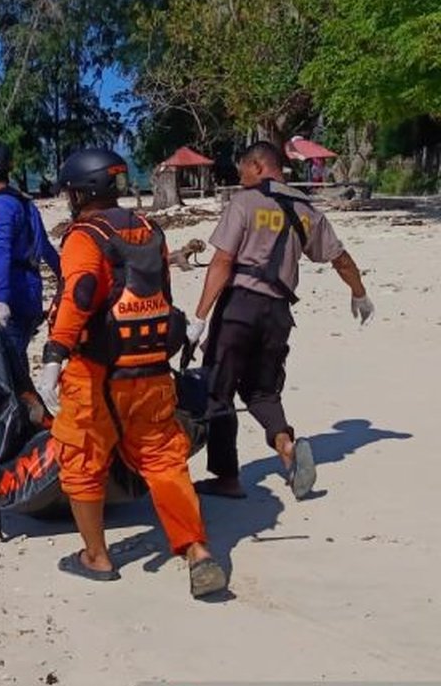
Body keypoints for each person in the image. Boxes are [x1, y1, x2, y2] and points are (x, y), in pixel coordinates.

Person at [36, 147, 227, 598]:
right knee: (163, 458)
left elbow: (79, 295)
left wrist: (52, 356)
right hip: (151, 370)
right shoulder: (149, 231)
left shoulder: (85, 236)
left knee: (82, 459)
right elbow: (159, 292)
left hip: (96, 373)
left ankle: (97, 558)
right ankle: (197, 550)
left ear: (83, 192)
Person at [186, 141, 374, 500]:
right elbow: (341, 259)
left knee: (218, 390)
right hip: (278, 314)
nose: (239, 176)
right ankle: (286, 448)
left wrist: (199, 318)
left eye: (242, 168)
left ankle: (227, 478)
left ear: (258, 166)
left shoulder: (243, 202)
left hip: (239, 307)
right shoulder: (307, 210)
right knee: (262, 391)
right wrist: (360, 294)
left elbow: (222, 262)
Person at [0, 143, 61, 371]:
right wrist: (64, 277)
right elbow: (45, 247)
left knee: (1, 369)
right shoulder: (25, 202)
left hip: (10, 292)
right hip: (31, 292)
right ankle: (27, 403)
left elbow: (1, 253)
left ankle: (27, 406)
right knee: (16, 362)